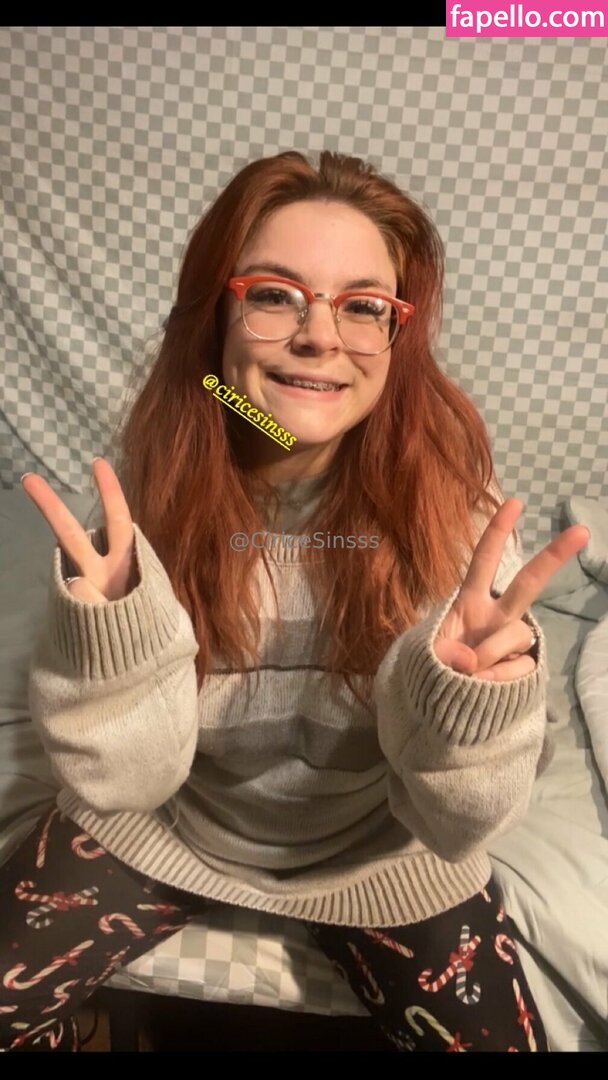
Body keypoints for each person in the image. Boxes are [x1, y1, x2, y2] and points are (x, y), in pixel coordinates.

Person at [3, 149, 589, 1053]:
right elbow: (124, 783)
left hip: (382, 858)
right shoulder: (134, 510)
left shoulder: (461, 526)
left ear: (398, 335)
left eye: (363, 306)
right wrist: (111, 644)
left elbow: (458, 821)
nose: (321, 337)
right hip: (167, 828)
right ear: (216, 318)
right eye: (275, 294)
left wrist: (467, 711)